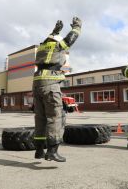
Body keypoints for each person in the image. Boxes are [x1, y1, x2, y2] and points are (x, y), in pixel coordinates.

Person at [33, 17, 82, 162]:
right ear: (56, 41)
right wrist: (77, 27)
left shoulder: (41, 47)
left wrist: (54, 31)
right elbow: (70, 39)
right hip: (50, 85)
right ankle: (52, 151)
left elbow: (47, 40)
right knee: (55, 117)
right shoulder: (57, 46)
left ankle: (39, 150)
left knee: (40, 118)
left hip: (37, 83)